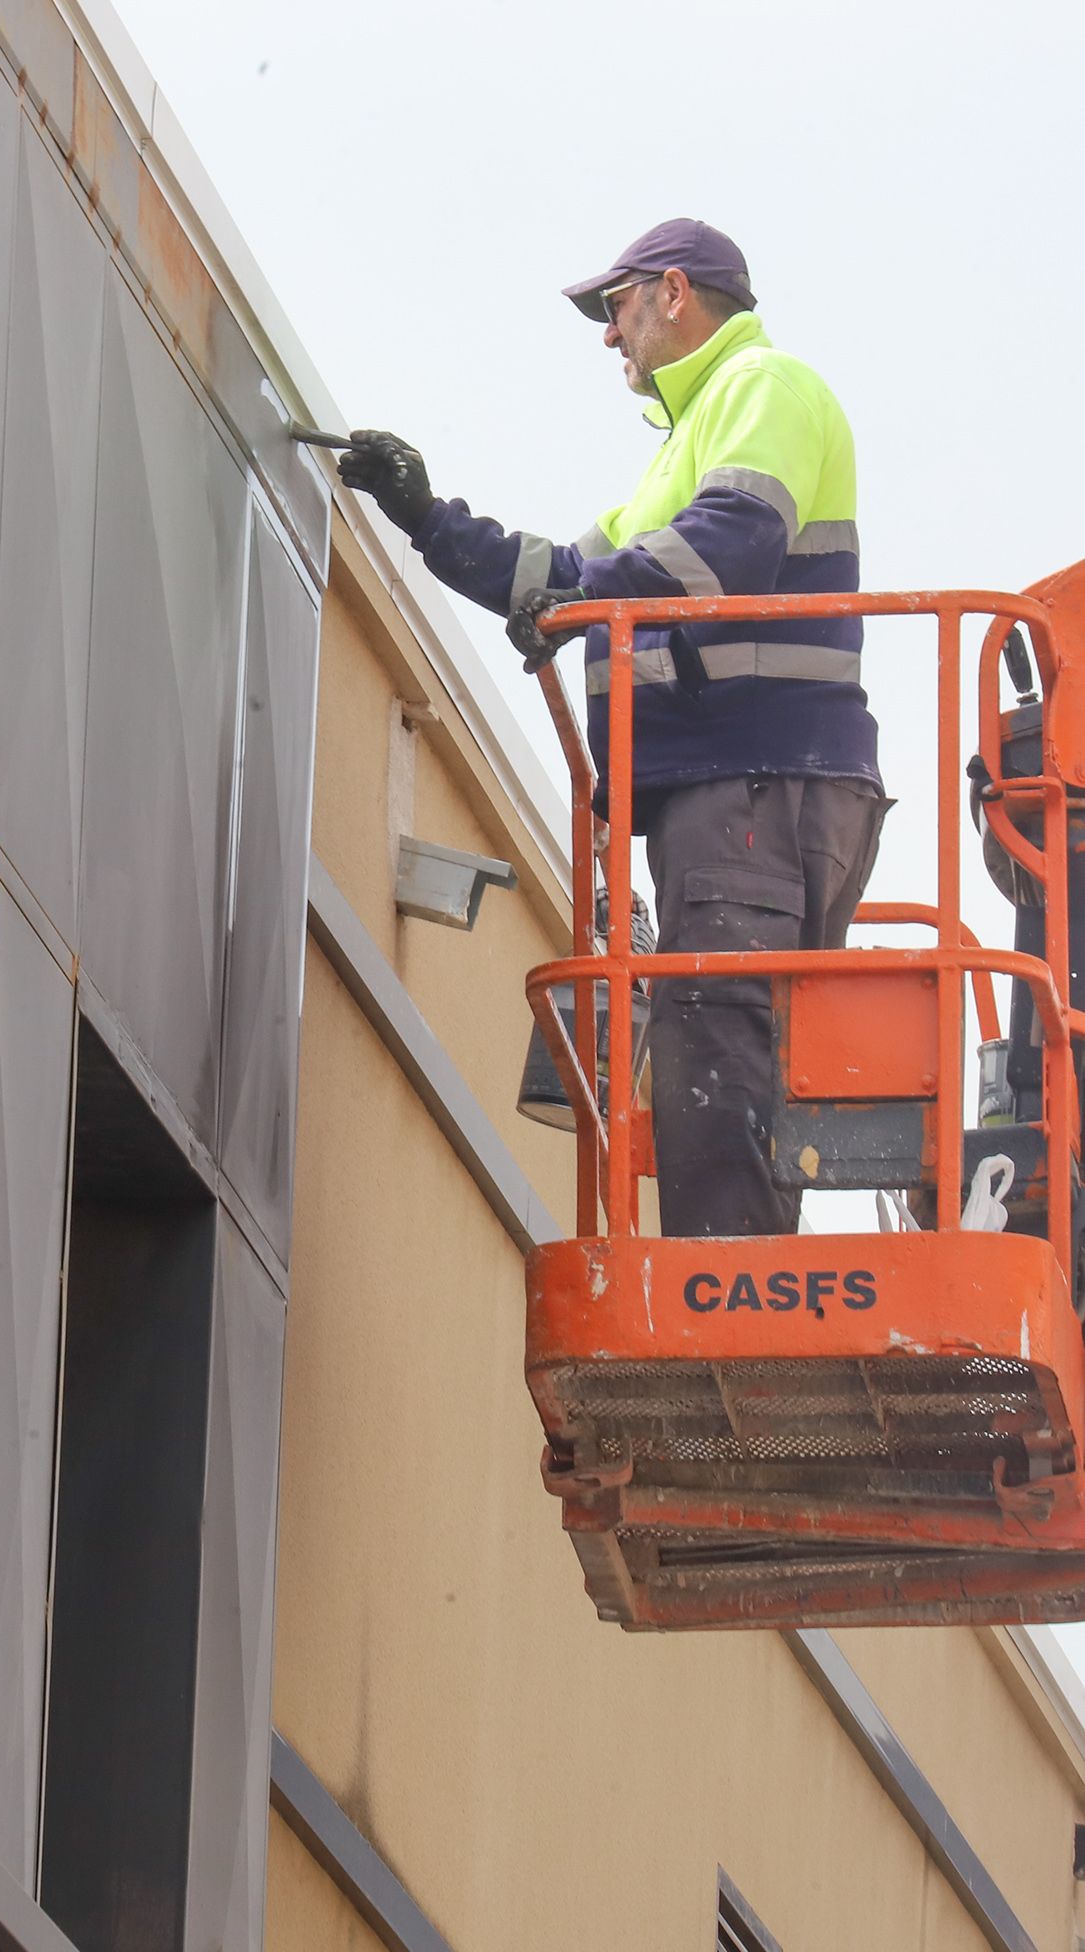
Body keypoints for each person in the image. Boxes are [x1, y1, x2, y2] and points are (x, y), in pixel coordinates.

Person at [340, 218, 887, 1237]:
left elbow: (720, 553)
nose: (606, 334)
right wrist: (425, 517)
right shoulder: (685, 446)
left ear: (671, 292)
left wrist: (574, 598)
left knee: (715, 1052)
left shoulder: (763, 389)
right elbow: (563, 577)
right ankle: (736, 1289)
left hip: (756, 782)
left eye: (614, 306)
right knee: (727, 1050)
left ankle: (726, 1306)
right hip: (748, 786)